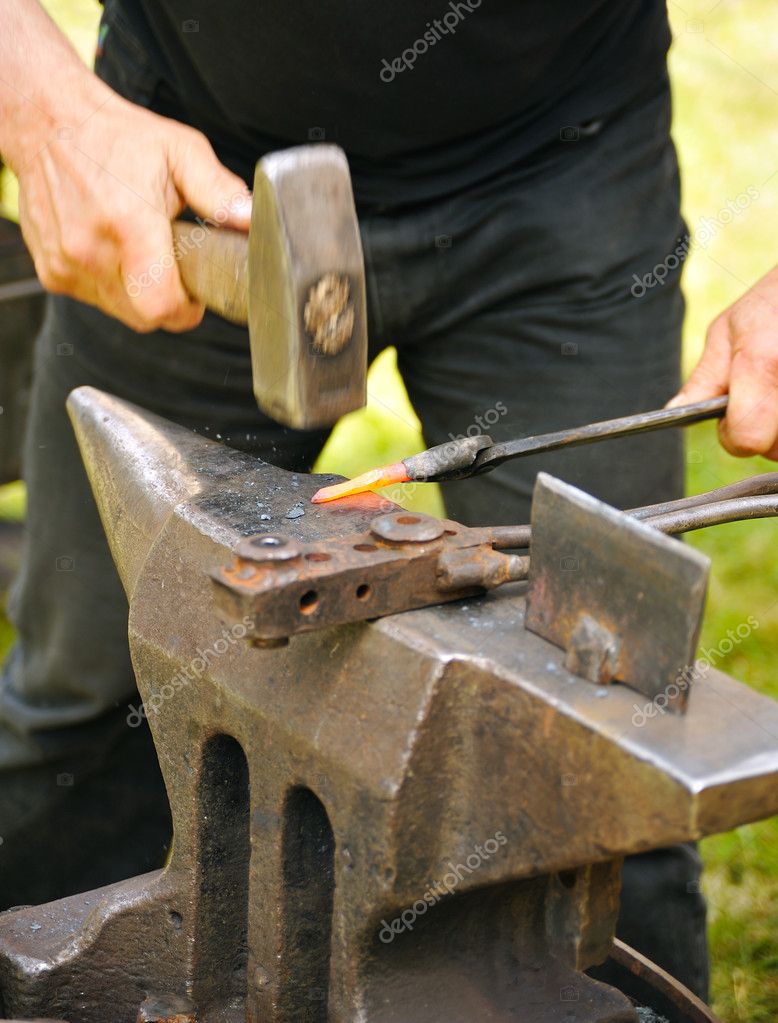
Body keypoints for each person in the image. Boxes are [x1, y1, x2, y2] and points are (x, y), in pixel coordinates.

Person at [0, 0, 775, 1002]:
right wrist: (40, 105)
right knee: (83, 705)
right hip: (191, 171)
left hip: (561, 159)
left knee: (608, 735)